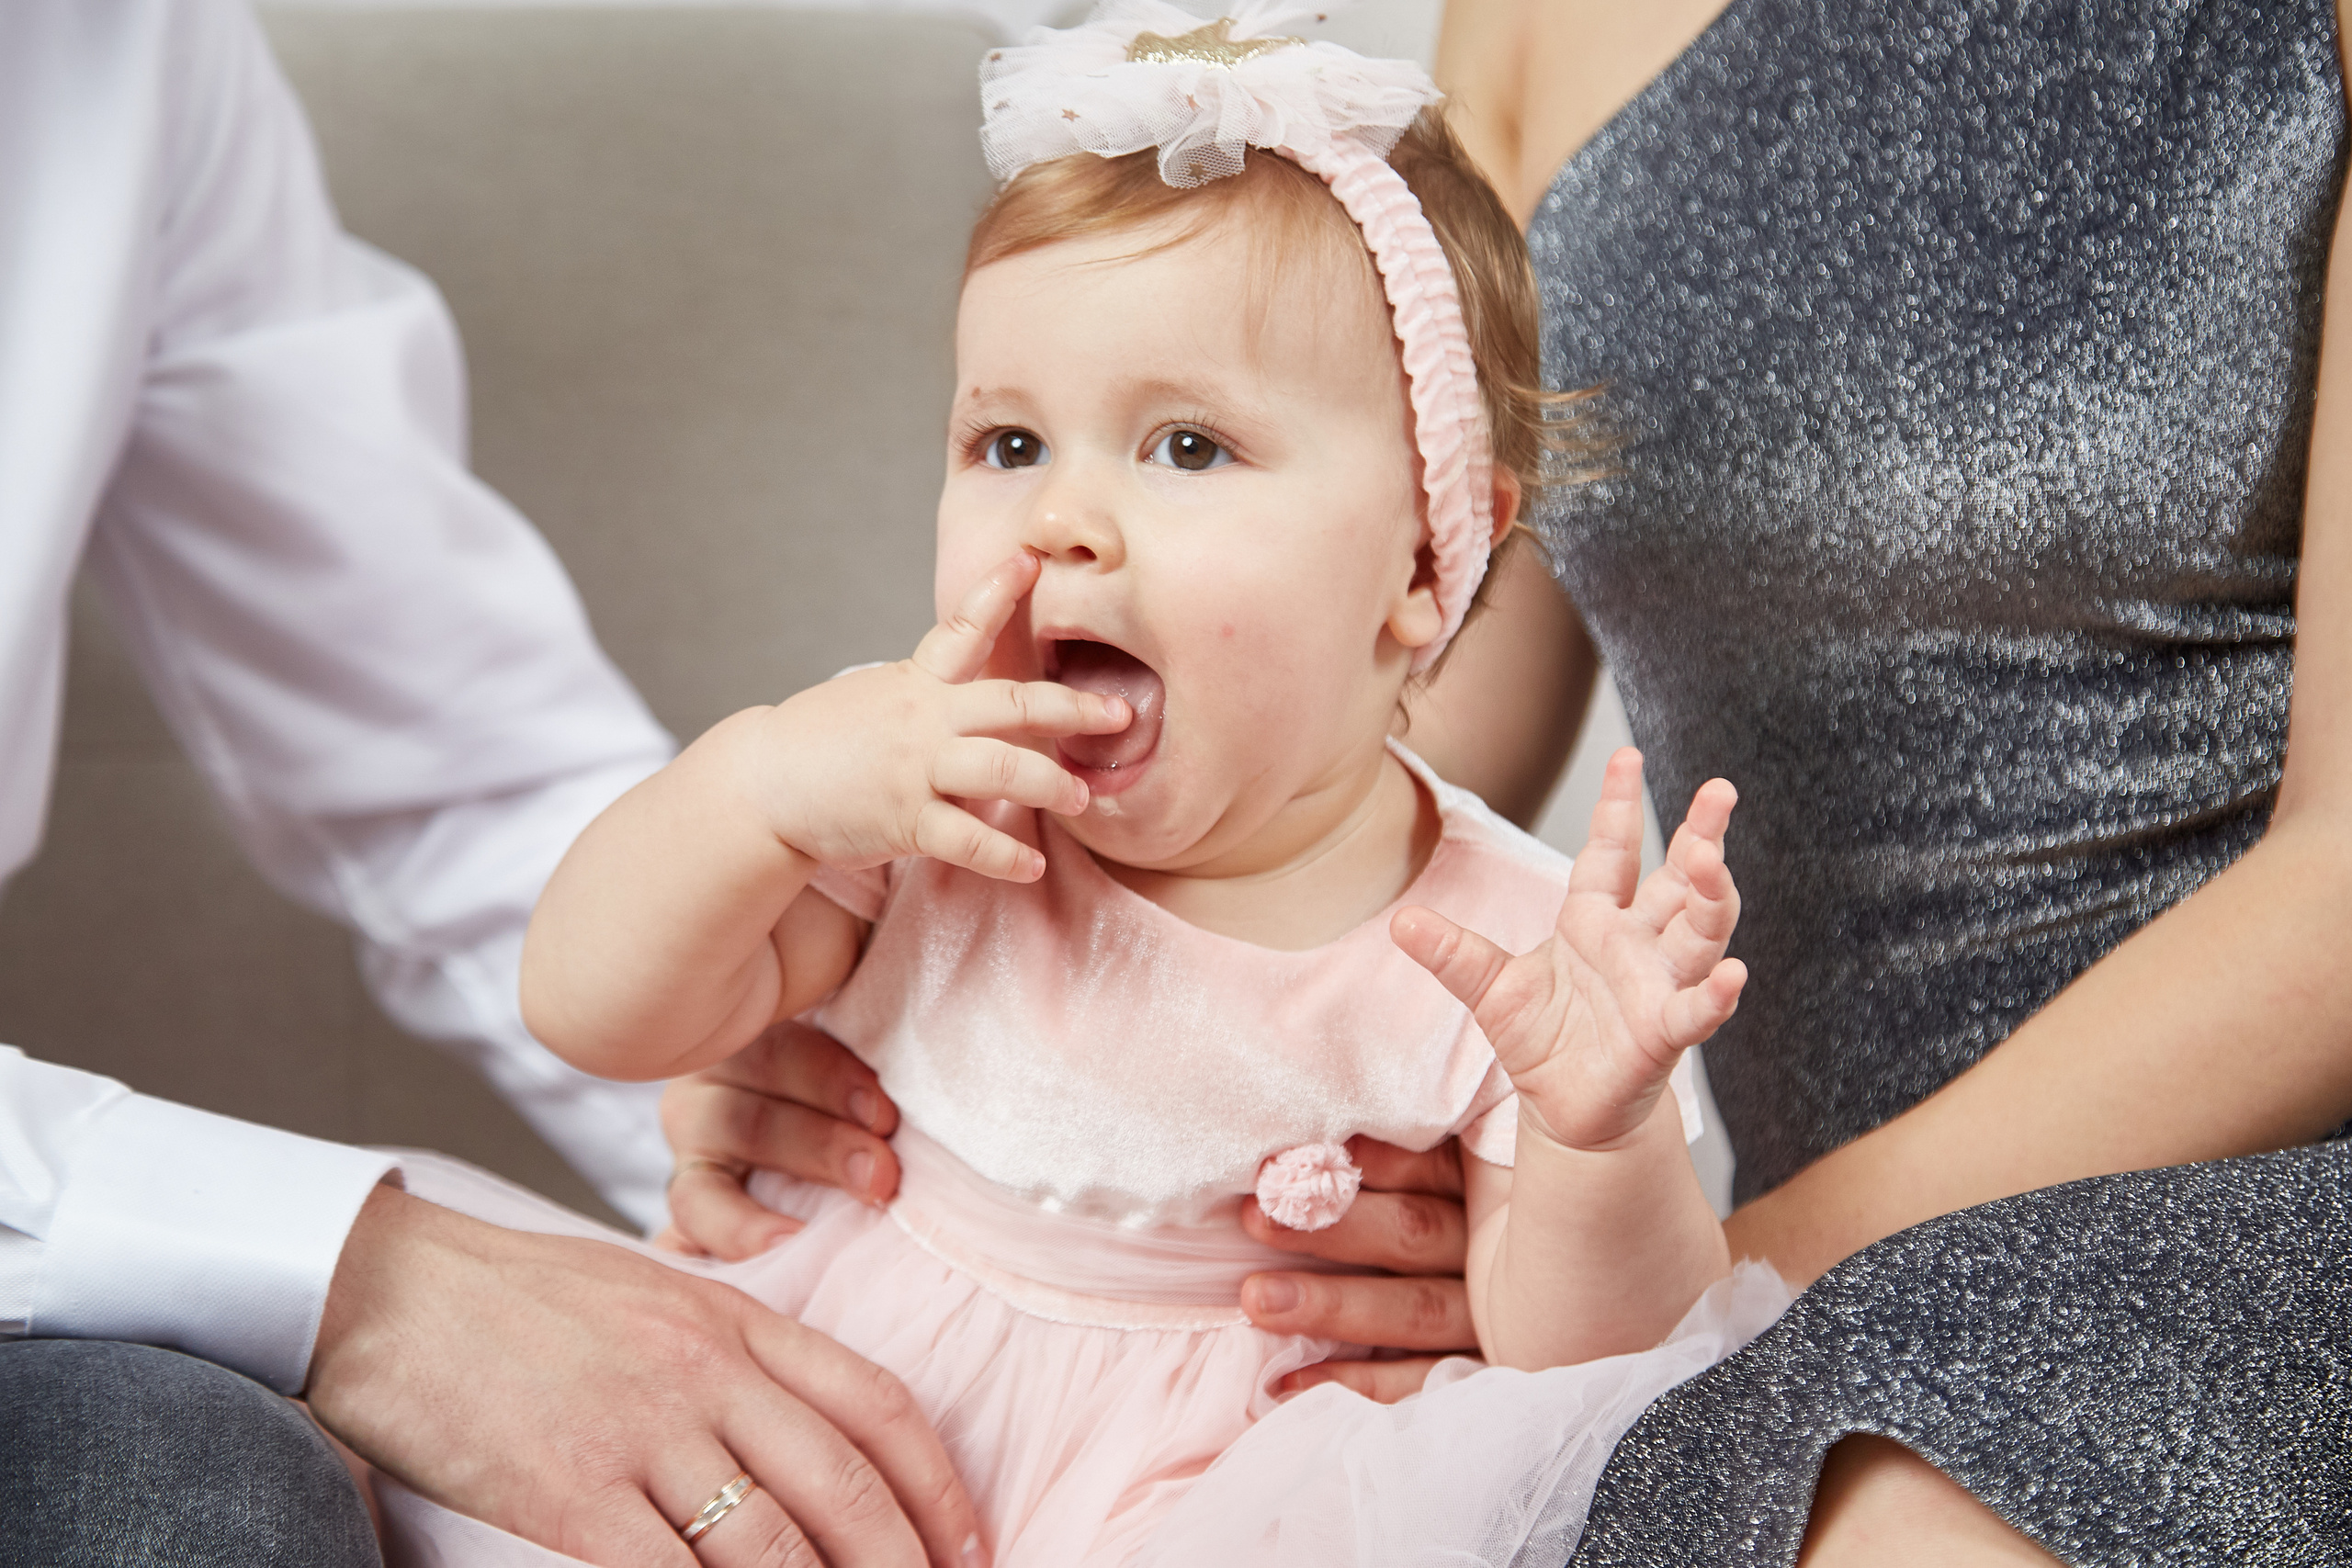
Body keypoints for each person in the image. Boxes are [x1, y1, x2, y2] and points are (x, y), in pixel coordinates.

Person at [671, 0, 2352, 1562]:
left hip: (2221, 1205)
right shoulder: (1539, 15)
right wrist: (901, 998)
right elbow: (1384, 684)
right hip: (1660, 1212)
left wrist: (1678, 1270)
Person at [370, 7, 1791, 1562]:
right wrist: (757, 793)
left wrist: (1596, 1140)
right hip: (835, 1420)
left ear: (1424, 555)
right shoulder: (922, 800)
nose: (1063, 522)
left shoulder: (1502, 951)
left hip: (1223, 1506)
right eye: (1007, 442)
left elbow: (1584, 1377)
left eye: (1186, 446)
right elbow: (591, 1009)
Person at [0, 2, 983, 1563]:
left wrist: (902, 1149)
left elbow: (440, 756)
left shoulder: (128, 43)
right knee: (187, 1505)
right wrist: (352, 1276)